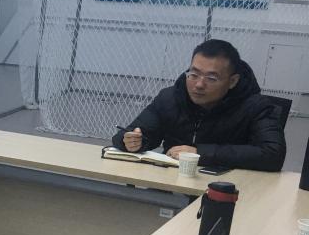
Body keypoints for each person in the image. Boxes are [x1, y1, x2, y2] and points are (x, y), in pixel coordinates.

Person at [110, 40, 286, 172]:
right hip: (171, 183)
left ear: (233, 81)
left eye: (211, 78)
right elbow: (131, 134)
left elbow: (273, 154)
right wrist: (130, 141)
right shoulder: (170, 98)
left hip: (227, 189)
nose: (199, 84)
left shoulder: (256, 106)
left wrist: (199, 153)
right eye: (194, 74)